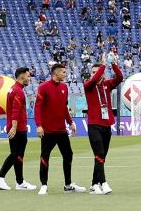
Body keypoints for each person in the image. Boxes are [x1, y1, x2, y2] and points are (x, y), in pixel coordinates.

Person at [34, 63, 86, 195]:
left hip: (61, 130)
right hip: (48, 131)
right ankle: (44, 185)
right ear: (56, 73)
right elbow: (38, 108)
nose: (65, 74)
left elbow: (64, 107)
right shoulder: (43, 87)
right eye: (63, 72)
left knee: (68, 155)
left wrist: (70, 122)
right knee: (45, 156)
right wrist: (39, 125)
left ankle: (68, 185)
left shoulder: (64, 87)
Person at [84, 53, 123, 195]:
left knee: (101, 157)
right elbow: (94, 79)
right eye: (93, 72)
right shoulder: (88, 85)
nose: (95, 74)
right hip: (94, 125)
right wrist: (104, 64)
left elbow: (120, 77)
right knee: (99, 153)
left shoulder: (107, 85)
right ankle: (104, 182)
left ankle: (94, 184)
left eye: (97, 71)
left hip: (107, 125)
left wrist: (113, 64)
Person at [0, 67, 36, 191]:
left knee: (18, 155)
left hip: (15, 126)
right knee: (16, 154)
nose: (29, 78)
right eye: (28, 76)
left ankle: (20, 182)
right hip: (18, 128)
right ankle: (0, 178)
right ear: (21, 76)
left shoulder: (12, 89)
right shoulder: (18, 91)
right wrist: (15, 127)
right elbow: (16, 110)